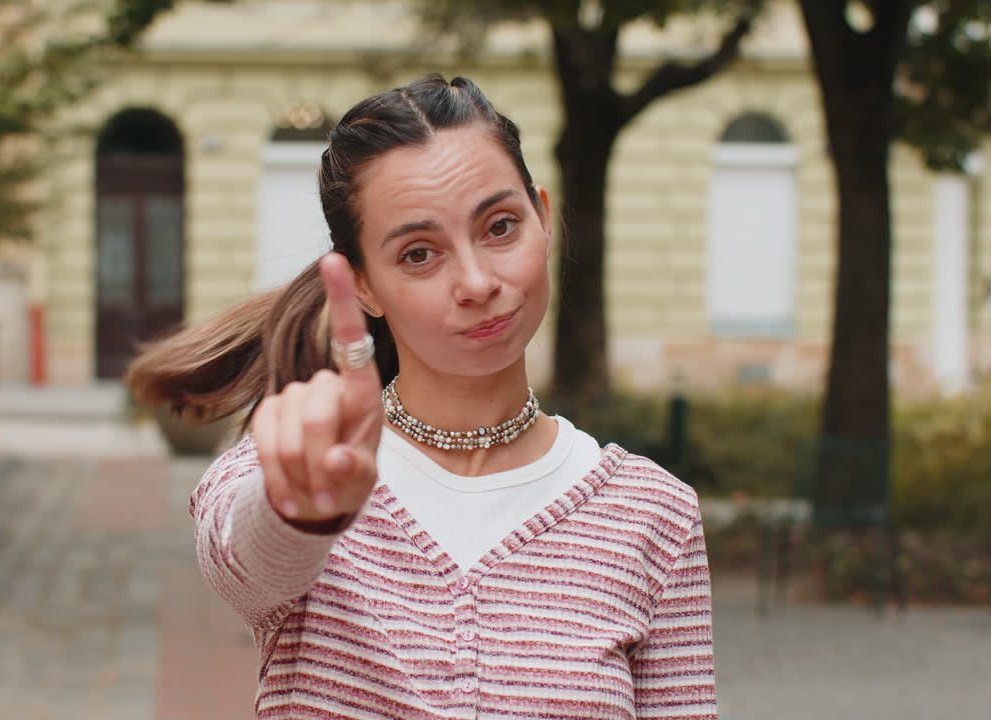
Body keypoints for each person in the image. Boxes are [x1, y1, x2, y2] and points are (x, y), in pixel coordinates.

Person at [127, 74, 716, 719]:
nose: (475, 281)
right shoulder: (295, 469)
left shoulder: (654, 515)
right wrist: (300, 511)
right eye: (417, 254)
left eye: (499, 227)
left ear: (543, 219)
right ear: (363, 288)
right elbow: (247, 564)